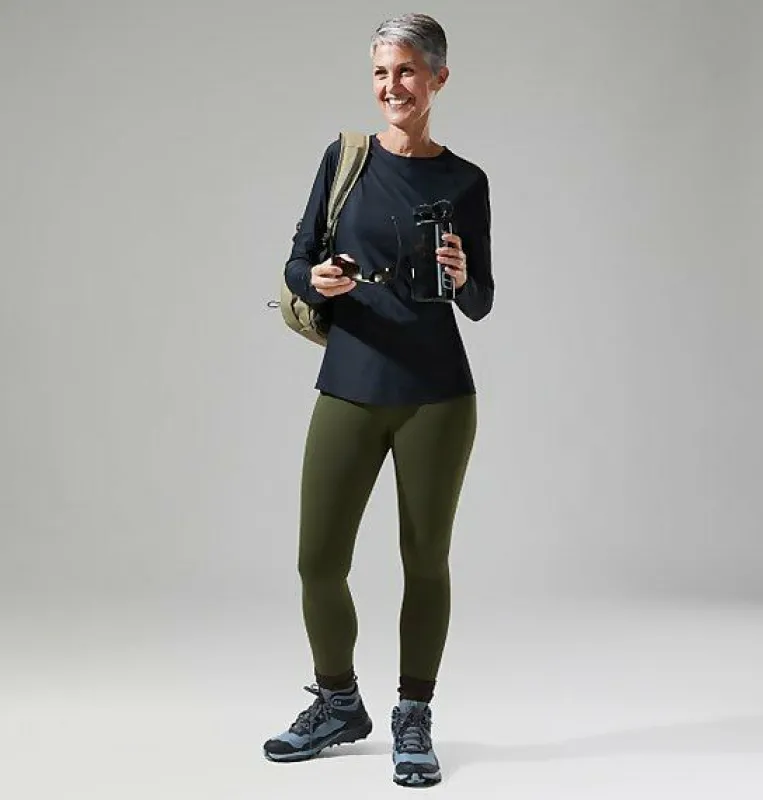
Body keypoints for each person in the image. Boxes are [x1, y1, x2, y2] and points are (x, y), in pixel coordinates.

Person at [262, 12, 494, 788]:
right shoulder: (345, 159)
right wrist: (317, 279)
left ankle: (413, 716)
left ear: (438, 79)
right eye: (380, 73)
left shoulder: (466, 182)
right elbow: (297, 262)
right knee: (317, 561)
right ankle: (338, 703)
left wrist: (462, 276)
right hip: (351, 383)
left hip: (438, 396)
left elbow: (482, 302)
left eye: (405, 71)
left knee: (424, 562)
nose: (391, 86)